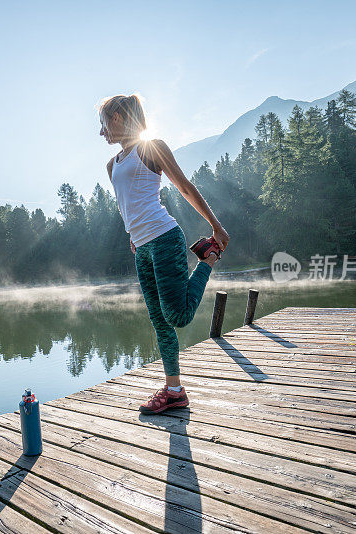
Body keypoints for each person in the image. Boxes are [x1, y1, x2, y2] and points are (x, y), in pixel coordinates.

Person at [98, 93, 229, 414]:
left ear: (116, 117)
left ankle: (208, 260)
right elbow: (125, 203)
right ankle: (174, 391)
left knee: (179, 316)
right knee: (160, 321)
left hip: (165, 237)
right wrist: (132, 235)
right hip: (141, 247)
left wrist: (216, 226)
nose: (101, 132)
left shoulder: (151, 147)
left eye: (102, 124)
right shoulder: (110, 165)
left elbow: (183, 186)